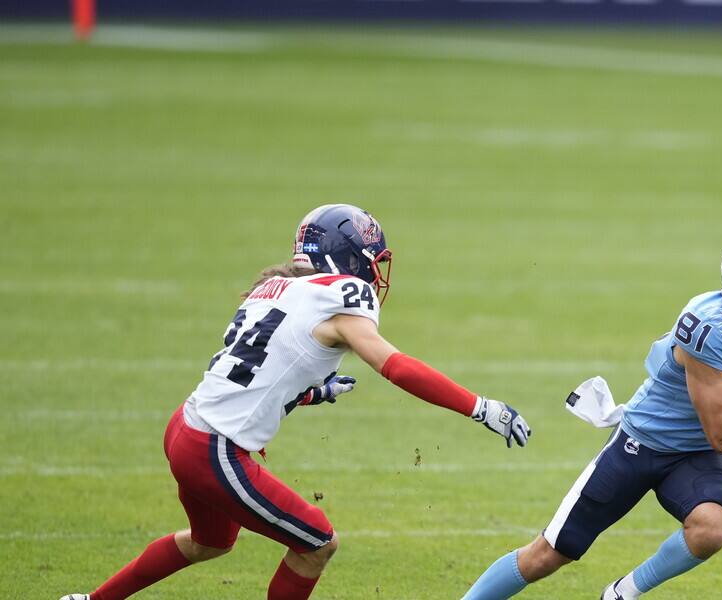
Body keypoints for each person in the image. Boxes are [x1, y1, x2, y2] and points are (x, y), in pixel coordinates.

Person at [60, 203, 531, 600]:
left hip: (185, 427)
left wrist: (313, 391)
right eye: (371, 259)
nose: (374, 272)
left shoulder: (274, 288)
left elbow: (259, 372)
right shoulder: (341, 299)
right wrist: (480, 406)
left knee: (210, 542)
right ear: (349, 257)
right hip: (215, 450)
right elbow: (397, 366)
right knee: (317, 543)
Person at [462, 226, 722, 600]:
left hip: (694, 453)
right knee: (548, 554)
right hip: (642, 441)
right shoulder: (706, 328)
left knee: (713, 528)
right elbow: (721, 432)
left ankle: (623, 593)